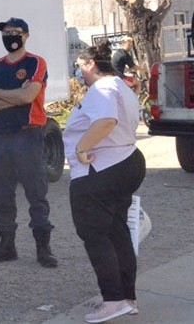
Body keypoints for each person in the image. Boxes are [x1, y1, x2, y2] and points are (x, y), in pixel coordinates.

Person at [66, 41, 145, 323]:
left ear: (89, 64)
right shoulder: (121, 85)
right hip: (126, 160)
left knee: (96, 234)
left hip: (102, 168)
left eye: (78, 66)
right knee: (116, 232)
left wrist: (80, 148)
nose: (77, 72)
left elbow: (106, 121)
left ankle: (113, 300)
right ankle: (126, 298)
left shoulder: (100, 88)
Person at [0, 17, 58, 268]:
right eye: (6, 32)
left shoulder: (35, 62)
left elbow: (29, 96)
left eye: (15, 32)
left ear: (25, 36)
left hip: (28, 135)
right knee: (2, 194)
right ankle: (7, 245)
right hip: (0, 136)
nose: (9, 36)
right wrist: (15, 97)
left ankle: (43, 247)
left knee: (36, 194)